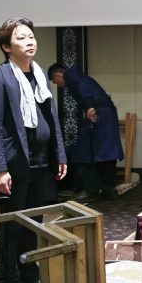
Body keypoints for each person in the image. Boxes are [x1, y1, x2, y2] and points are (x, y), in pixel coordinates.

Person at [0, 17, 67, 283]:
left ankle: (28, 274)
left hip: (41, 162)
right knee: (12, 227)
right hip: (15, 164)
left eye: (31, 36)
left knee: (34, 223)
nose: (29, 41)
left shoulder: (39, 74)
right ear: (6, 47)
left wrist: (60, 154)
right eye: (21, 38)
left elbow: (52, 118)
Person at [48, 63, 124, 202]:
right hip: (106, 113)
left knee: (81, 152)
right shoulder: (80, 75)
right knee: (106, 152)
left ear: (58, 74)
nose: (58, 85)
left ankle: (91, 190)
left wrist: (89, 107)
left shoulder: (70, 73)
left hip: (97, 112)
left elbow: (82, 87)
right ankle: (108, 189)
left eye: (55, 81)